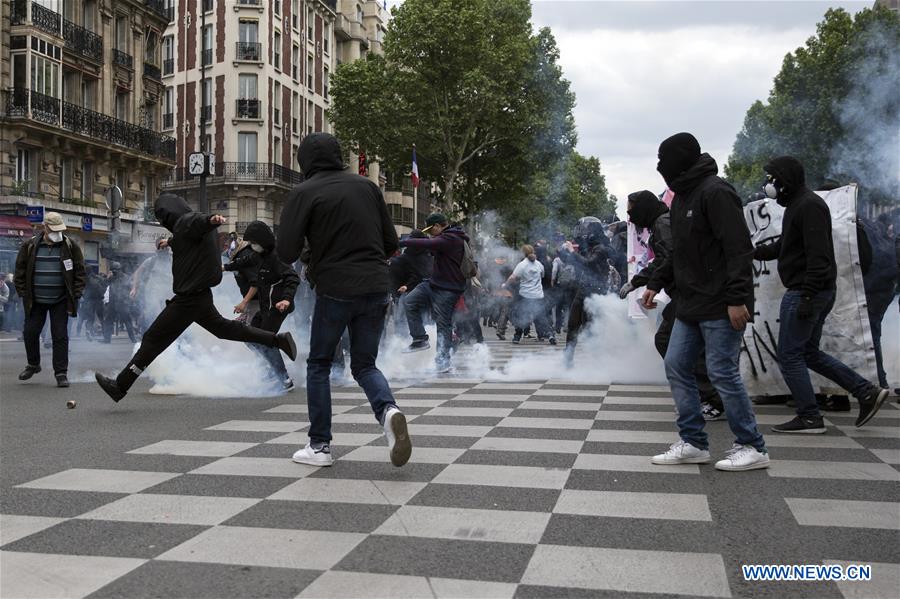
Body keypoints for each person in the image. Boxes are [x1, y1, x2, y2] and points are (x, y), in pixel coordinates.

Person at [277, 132, 411, 468]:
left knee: (319, 363)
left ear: (305, 160)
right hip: (376, 286)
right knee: (365, 364)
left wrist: (312, 249)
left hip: (335, 287)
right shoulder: (367, 187)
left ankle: (320, 446)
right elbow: (391, 242)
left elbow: (285, 251)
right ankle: (388, 410)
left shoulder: (304, 192)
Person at [642, 132, 769, 471]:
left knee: (721, 373)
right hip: (691, 302)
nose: (659, 166)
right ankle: (694, 443)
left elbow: (739, 249)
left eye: (663, 159)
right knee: (677, 365)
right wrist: (656, 283)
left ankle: (752, 446)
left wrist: (738, 298)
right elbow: (680, 253)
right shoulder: (681, 197)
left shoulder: (716, 192)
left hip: (721, 302)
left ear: (680, 160)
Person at [94, 193, 297, 402]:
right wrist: (170, 241)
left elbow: (194, 223)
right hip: (201, 296)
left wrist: (211, 220)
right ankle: (276, 340)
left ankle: (120, 385)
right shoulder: (190, 230)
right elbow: (189, 235)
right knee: (225, 329)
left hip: (187, 300)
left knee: (152, 340)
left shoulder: (188, 222)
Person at [753, 156, 889, 433]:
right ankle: (865, 392)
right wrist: (754, 251)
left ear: (784, 179)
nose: (768, 184)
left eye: (771, 178)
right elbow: (787, 245)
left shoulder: (808, 206)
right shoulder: (799, 205)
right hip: (810, 291)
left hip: (807, 292)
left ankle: (810, 417)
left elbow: (819, 257)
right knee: (809, 353)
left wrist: (806, 297)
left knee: (790, 356)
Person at [619, 190, 725, 421]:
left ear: (644, 208)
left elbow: (671, 258)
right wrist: (636, 281)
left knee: (673, 342)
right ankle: (704, 395)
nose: (629, 217)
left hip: (690, 293)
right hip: (687, 293)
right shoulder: (662, 223)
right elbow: (662, 261)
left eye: (631, 211)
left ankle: (710, 398)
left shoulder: (663, 224)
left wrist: (652, 285)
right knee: (679, 344)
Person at [14, 211, 86, 387]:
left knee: (60, 336)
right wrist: (23, 292)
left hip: (60, 300)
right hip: (35, 300)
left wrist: (76, 294)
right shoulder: (30, 245)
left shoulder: (70, 246)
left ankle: (61, 373)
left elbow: (80, 272)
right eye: (53, 229)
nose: (56, 232)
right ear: (44, 227)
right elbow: (20, 271)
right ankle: (33, 364)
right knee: (30, 333)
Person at [399, 212, 469, 373]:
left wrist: (402, 242)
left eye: (431, 230)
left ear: (438, 226)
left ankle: (443, 362)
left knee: (443, 324)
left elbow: (427, 244)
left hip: (447, 289)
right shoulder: (447, 237)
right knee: (409, 301)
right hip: (433, 284)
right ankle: (419, 338)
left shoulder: (451, 238)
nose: (430, 233)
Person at [234, 221, 300, 390]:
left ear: (262, 241)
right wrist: (225, 267)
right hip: (265, 307)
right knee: (249, 336)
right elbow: (244, 262)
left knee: (265, 339)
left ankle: (284, 378)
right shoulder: (259, 255)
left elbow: (292, 278)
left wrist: (286, 299)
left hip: (277, 306)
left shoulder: (277, 257)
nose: (252, 246)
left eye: (254, 243)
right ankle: (270, 366)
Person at [561, 217, 611, 365]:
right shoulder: (588, 247)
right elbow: (575, 263)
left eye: (586, 230)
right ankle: (568, 358)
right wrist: (562, 251)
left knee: (591, 326)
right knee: (573, 324)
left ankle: (599, 361)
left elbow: (588, 264)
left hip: (595, 291)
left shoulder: (601, 248)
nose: (583, 233)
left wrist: (572, 251)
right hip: (583, 288)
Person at [504, 244, 556, 345]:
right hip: (538, 295)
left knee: (521, 315)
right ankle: (550, 335)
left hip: (525, 295)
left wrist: (505, 284)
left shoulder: (522, 265)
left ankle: (517, 337)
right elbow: (542, 275)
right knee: (541, 317)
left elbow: (512, 278)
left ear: (524, 253)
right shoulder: (539, 264)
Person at [102, 261, 137, 343]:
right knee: (108, 320)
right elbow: (103, 285)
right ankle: (107, 339)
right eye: (113, 270)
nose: (114, 272)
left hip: (123, 303)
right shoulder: (112, 278)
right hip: (113, 302)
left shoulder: (126, 278)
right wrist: (107, 278)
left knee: (127, 321)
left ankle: (133, 339)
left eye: (115, 270)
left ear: (119, 270)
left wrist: (129, 299)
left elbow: (131, 288)